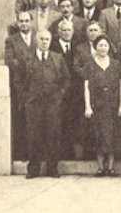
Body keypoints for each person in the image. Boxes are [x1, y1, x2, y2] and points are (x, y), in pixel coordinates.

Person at [17, 30, 70, 178]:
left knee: (53, 135)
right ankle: (33, 169)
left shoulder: (58, 58)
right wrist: (26, 97)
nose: (44, 42)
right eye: (42, 39)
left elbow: (66, 79)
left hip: (53, 105)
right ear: (36, 40)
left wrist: (59, 95)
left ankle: (52, 168)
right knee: (34, 136)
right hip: (33, 104)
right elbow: (19, 80)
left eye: (47, 39)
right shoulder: (27, 59)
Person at [84, 35, 121, 177]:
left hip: (112, 104)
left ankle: (111, 167)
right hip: (97, 104)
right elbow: (87, 85)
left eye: (105, 45)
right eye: (100, 45)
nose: (103, 48)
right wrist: (88, 106)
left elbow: (120, 85)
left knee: (112, 135)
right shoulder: (90, 64)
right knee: (99, 135)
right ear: (95, 47)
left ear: (109, 48)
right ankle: (101, 167)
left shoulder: (115, 64)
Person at [4, 11, 35, 160]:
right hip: (20, 84)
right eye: (21, 21)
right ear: (17, 23)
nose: (24, 24)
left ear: (31, 22)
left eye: (27, 21)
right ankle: (23, 153)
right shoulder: (12, 40)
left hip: (37, 83)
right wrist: (26, 66)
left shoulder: (38, 37)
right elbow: (10, 60)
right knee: (22, 118)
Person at [72, 21, 104, 159]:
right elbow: (76, 66)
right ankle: (86, 153)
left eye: (95, 30)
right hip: (85, 89)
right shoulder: (80, 48)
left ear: (101, 32)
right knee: (85, 122)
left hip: (102, 91)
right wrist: (89, 74)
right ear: (86, 33)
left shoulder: (106, 46)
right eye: (90, 30)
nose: (93, 33)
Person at [49, 20, 78, 159]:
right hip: (57, 92)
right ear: (59, 32)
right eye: (64, 30)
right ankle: (60, 153)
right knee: (57, 122)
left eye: (69, 30)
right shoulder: (52, 47)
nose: (67, 33)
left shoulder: (77, 46)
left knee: (73, 122)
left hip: (75, 93)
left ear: (73, 31)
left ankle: (72, 152)